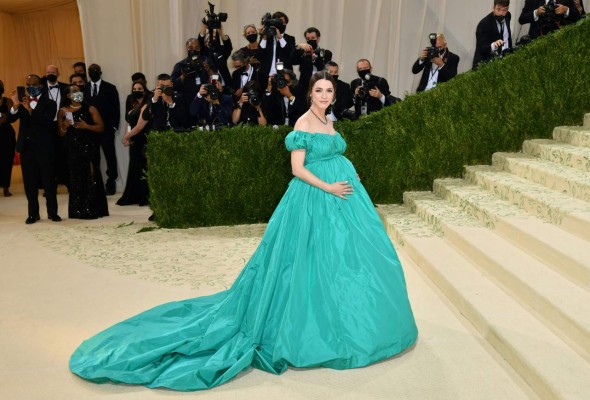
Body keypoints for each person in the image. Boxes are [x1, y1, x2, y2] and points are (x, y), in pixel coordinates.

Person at [69, 70, 418, 391]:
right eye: (319, 90)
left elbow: (337, 154)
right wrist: (328, 188)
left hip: (345, 198)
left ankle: (352, 318)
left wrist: (353, 174)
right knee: (307, 262)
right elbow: (298, 170)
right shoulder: (303, 122)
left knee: (349, 260)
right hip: (316, 198)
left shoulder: (328, 120)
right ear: (309, 93)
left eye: (329, 90)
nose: (325, 95)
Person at [9, 74, 60, 224]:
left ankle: (52, 213)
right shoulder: (22, 101)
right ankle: (33, 214)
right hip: (27, 149)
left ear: (41, 86)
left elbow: (47, 121)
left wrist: (31, 111)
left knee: (49, 181)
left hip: (45, 147)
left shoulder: (50, 103)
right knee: (29, 183)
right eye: (27, 84)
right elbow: (11, 119)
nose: (30, 87)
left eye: (34, 84)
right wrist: (15, 106)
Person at [57, 84, 108, 219]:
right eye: (74, 91)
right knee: (76, 178)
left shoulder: (90, 108)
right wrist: (64, 126)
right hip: (72, 149)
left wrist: (87, 126)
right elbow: (60, 134)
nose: (77, 93)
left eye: (79, 91)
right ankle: (77, 210)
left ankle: (93, 208)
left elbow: (101, 127)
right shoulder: (62, 111)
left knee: (91, 176)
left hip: (88, 146)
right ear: (68, 95)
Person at [85, 63, 120, 195]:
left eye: (95, 70)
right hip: (91, 130)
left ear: (100, 72)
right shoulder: (84, 88)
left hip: (106, 129)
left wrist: (114, 126)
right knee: (94, 157)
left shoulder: (110, 88)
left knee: (110, 155)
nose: (93, 72)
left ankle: (111, 181)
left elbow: (116, 109)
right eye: (90, 71)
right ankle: (95, 182)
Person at [117, 81, 151, 207]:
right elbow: (130, 123)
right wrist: (128, 136)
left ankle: (144, 196)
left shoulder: (146, 105)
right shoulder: (134, 105)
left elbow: (140, 126)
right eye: (135, 88)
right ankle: (134, 195)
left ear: (145, 90)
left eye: (140, 88)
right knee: (134, 167)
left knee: (143, 168)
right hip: (134, 141)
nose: (137, 90)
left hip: (142, 140)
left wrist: (126, 137)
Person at [43, 64, 70, 189]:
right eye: (48, 72)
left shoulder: (66, 87)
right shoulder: (41, 89)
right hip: (47, 127)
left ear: (58, 74)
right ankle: (51, 186)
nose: (50, 74)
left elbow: (71, 106)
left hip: (63, 125)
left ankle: (68, 182)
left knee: (65, 154)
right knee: (49, 156)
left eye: (53, 72)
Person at [473, 0, 513, 69]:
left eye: (504, 10)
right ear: (493, 8)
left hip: (505, 62)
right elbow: (481, 48)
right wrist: (494, 45)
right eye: (498, 9)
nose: (501, 13)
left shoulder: (508, 16)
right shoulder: (484, 24)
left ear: (508, 8)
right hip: (486, 65)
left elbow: (507, 38)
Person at [0, 80, 16, 197]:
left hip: (6, 135)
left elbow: (11, 117)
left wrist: (5, 118)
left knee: (6, 161)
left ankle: (6, 187)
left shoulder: (8, 101)